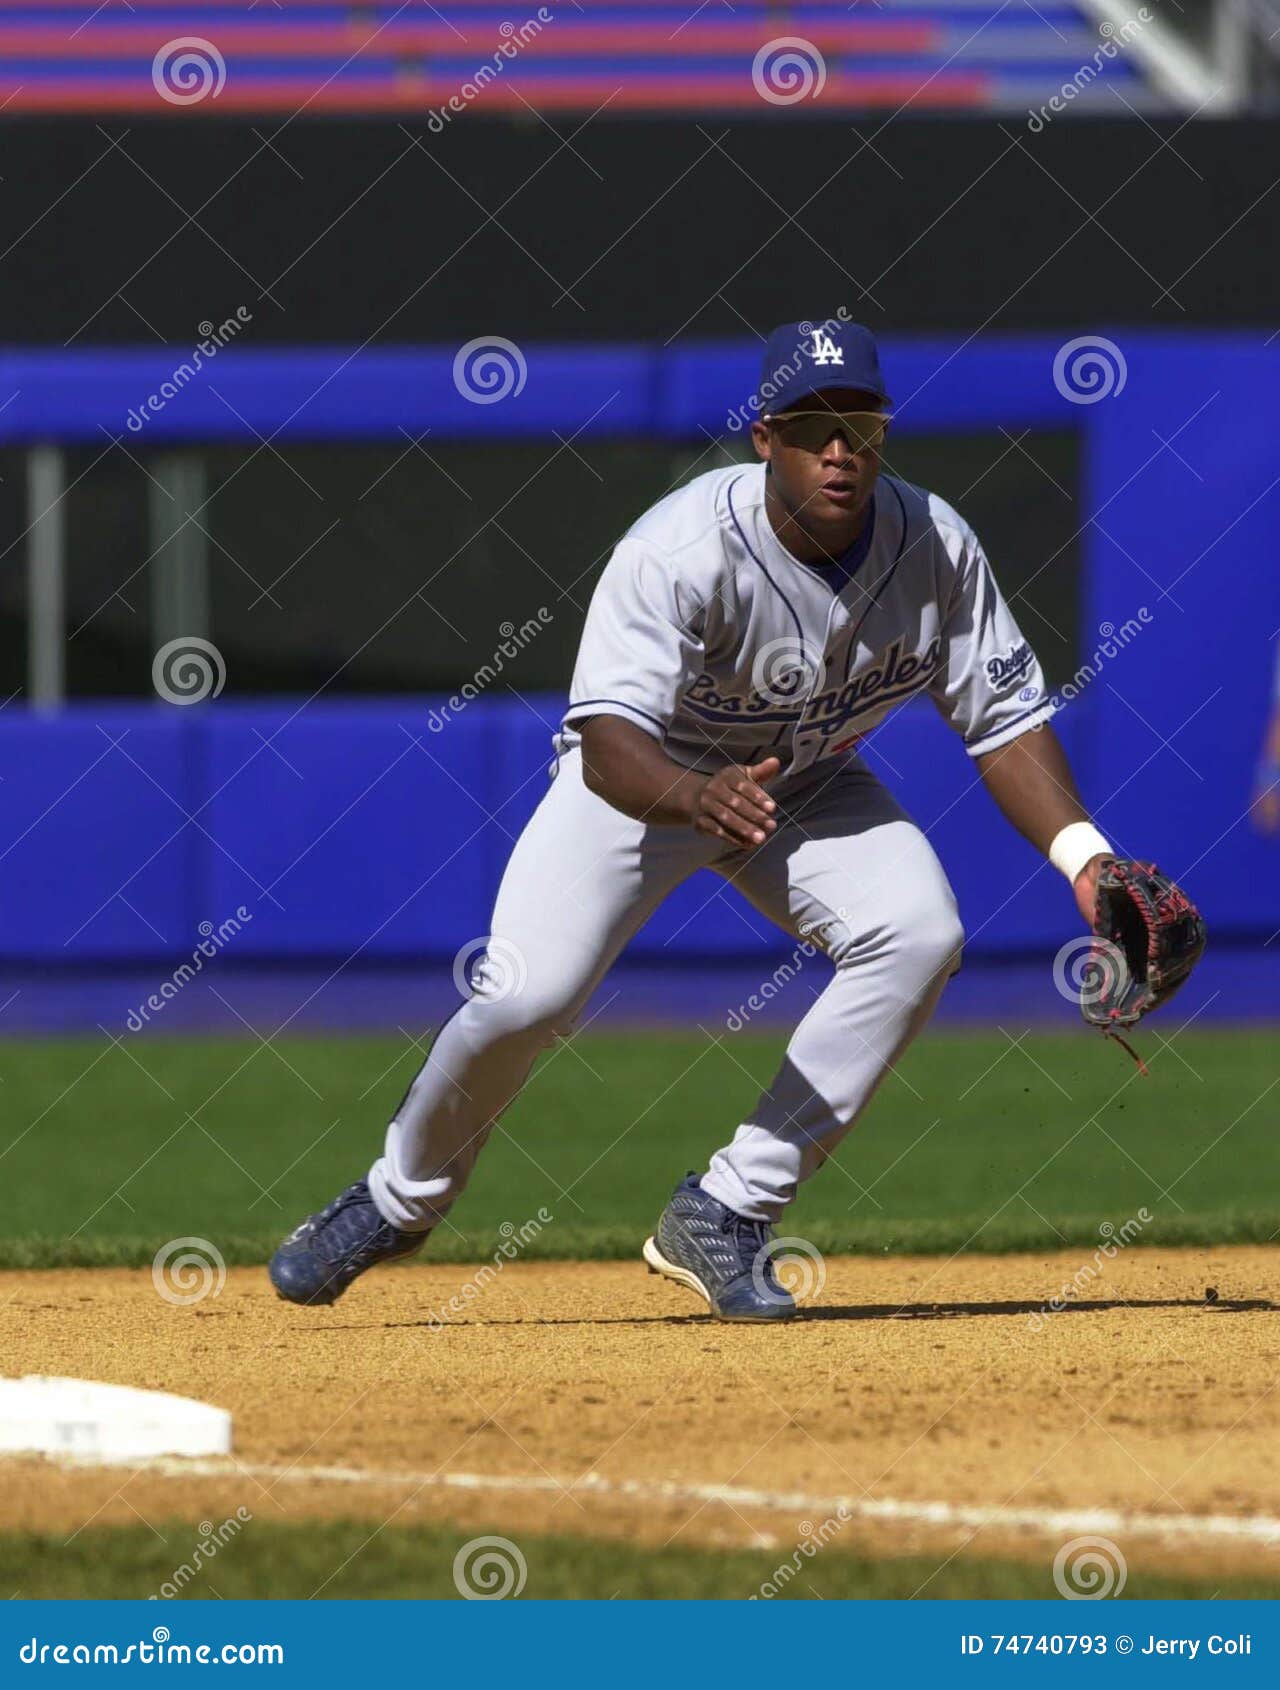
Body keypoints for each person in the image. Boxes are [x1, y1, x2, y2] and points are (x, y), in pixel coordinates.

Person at [269, 317, 1117, 1322]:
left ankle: (724, 1207)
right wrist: (692, 793)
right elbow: (606, 743)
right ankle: (396, 1198)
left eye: (858, 421)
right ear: (764, 437)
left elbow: (1004, 723)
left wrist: (1087, 862)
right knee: (521, 1000)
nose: (837, 448)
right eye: (811, 425)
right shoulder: (677, 549)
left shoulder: (933, 543)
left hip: (804, 784)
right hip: (638, 788)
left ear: (882, 430)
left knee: (919, 932)